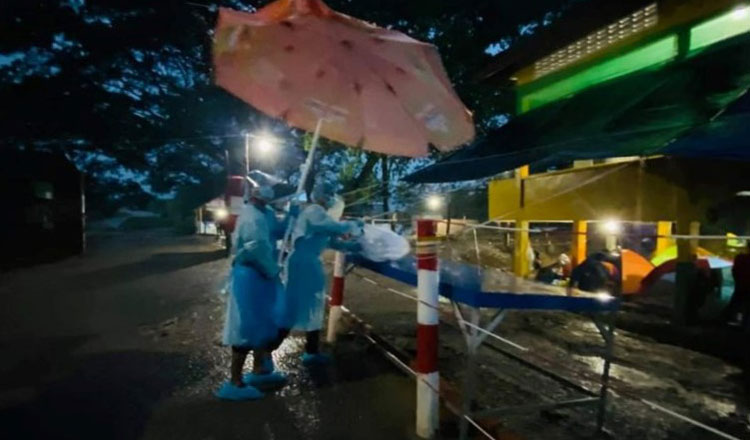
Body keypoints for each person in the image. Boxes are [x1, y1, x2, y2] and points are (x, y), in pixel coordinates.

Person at [276, 181, 362, 365]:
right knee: (295, 306)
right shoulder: (314, 211)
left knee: (314, 305)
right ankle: (267, 351)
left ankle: (312, 350)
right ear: (322, 196)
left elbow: (330, 241)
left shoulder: (321, 214)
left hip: (309, 262)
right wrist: (352, 225)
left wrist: (350, 246)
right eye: (330, 195)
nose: (332, 199)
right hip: (302, 263)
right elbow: (330, 228)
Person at [216, 183, 287, 401]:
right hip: (251, 275)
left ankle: (259, 369)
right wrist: (273, 270)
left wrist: (292, 218)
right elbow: (257, 249)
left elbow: (276, 231)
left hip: (261, 275)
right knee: (246, 326)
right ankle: (235, 381)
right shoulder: (252, 217)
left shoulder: (264, 212)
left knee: (265, 322)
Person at [722, 243, 750, 328]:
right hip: (743, 287)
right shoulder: (741, 258)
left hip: (741, 287)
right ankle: (741, 323)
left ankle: (737, 321)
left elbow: (735, 271)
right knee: (743, 307)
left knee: (738, 306)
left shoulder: (741, 258)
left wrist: (738, 282)